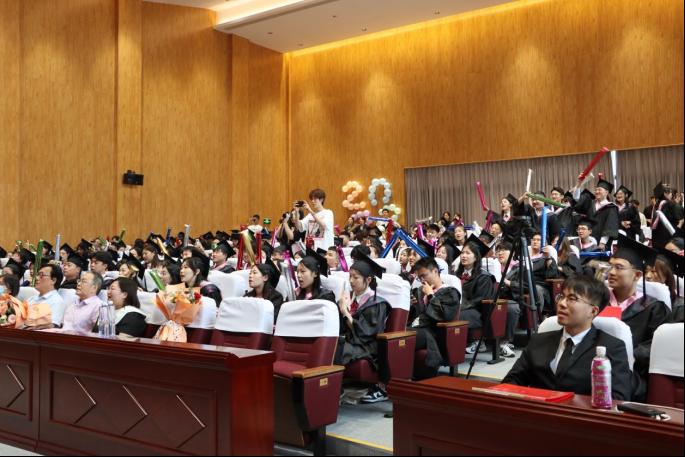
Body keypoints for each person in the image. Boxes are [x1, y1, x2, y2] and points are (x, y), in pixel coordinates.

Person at [502, 275, 632, 400]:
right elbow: (511, 382)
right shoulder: (538, 341)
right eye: (561, 297)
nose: (562, 303)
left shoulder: (612, 347)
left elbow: (618, 398)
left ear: (593, 311)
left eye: (572, 299)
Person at [604, 235, 670, 400]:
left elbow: (655, 346)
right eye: (610, 266)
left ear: (637, 275)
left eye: (619, 267)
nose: (611, 272)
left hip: (633, 376)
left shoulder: (654, 308)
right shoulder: (598, 301)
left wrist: (621, 357)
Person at [336, 252, 391, 403]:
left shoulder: (377, 303)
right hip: (350, 341)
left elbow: (365, 333)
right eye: (350, 277)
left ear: (368, 279)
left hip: (366, 347)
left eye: (356, 277)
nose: (351, 281)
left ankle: (334, 389)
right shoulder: (349, 298)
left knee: (336, 348)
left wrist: (345, 312)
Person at [411, 257, 461, 379]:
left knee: (403, 337)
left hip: (432, 333)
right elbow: (415, 316)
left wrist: (430, 295)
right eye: (419, 278)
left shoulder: (450, 292)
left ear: (435, 271)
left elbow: (444, 316)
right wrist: (411, 306)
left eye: (424, 275)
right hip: (417, 328)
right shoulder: (420, 291)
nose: (422, 280)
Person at [456, 236, 496, 354]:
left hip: (475, 311)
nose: (463, 256)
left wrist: (460, 307)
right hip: (459, 307)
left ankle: (461, 347)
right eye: (462, 252)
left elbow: (480, 300)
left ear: (476, 257)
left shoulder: (484, 277)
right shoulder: (456, 274)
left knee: (454, 316)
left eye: (468, 253)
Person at [588, 178, 619, 252]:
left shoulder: (611, 207)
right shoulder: (591, 205)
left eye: (599, 190)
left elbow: (610, 226)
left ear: (606, 192)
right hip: (588, 240)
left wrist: (603, 242)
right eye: (596, 190)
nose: (597, 192)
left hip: (601, 242)